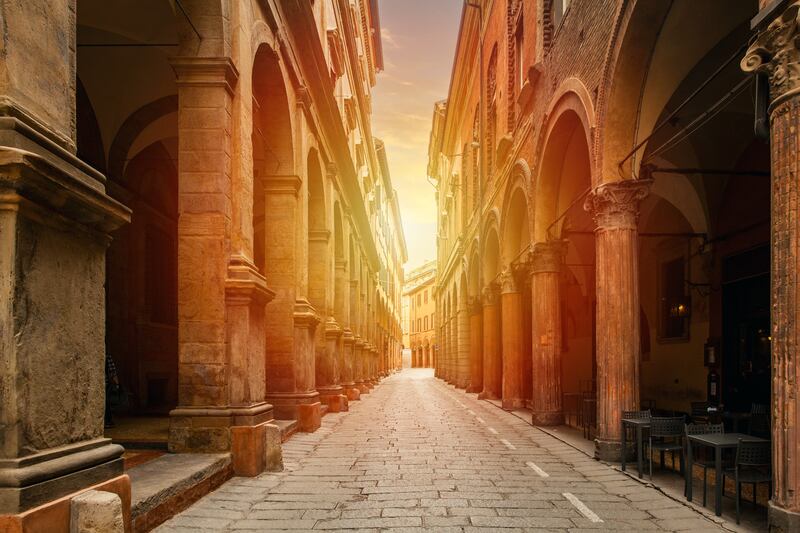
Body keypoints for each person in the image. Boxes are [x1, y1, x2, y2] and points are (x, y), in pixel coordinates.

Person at [105, 353, 120, 428]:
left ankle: (108, 421)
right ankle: (108, 421)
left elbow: (112, 371)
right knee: (107, 403)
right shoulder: (107, 356)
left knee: (107, 403)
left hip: (104, 383)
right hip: (105, 383)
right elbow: (112, 372)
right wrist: (117, 384)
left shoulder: (107, 357)